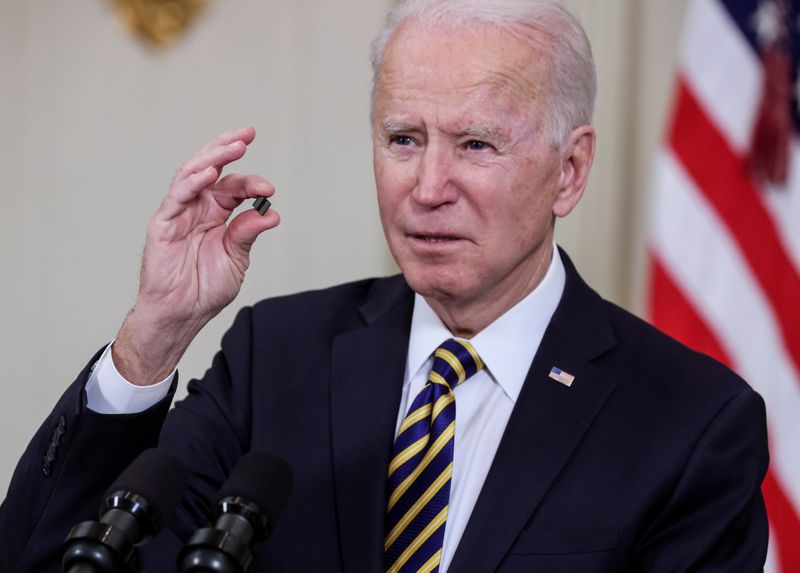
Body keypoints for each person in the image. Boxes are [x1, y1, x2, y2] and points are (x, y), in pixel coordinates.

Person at [1, 0, 769, 571]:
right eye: (404, 139)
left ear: (569, 171)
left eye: (475, 144)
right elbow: (53, 560)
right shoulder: (278, 357)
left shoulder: (691, 423)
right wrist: (155, 334)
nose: (429, 186)